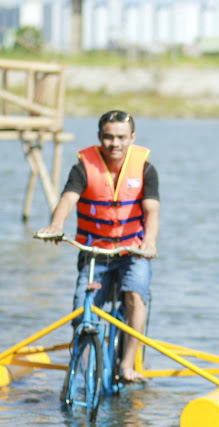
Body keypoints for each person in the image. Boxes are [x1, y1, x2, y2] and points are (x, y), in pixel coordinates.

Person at [38, 110, 160, 382]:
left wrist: (149, 242)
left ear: (132, 138)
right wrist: (56, 226)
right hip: (94, 252)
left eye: (121, 137)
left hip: (133, 251)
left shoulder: (145, 169)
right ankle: (83, 374)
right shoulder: (82, 168)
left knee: (135, 297)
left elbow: (152, 211)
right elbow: (68, 199)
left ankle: (128, 365)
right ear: (99, 137)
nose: (114, 143)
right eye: (108, 137)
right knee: (83, 309)